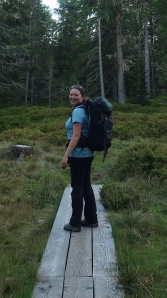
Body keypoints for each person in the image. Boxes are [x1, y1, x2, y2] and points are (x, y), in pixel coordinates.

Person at [61, 85, 98, 232]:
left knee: (77, 188)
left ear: (82, 96)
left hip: (78, 155)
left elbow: (76, 136)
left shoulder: (78, 112)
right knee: (86, 186)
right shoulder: (86, 109)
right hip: (88, 153)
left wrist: (66, 155)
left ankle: (75, 223)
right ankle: (91, 219)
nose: (72, 97)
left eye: (76, 94)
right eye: (71, 94)